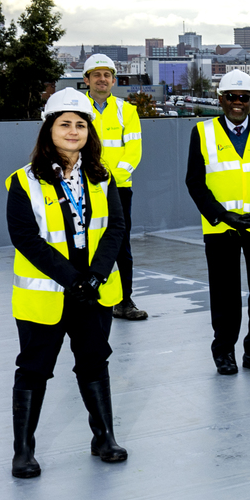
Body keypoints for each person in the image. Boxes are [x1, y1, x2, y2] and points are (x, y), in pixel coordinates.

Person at [4, 89, 128, 478]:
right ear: (48, 130)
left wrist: (95, 276)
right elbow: (25, 238)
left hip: (93, 290)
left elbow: (116, 229)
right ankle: (23, 450)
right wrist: (73, 279)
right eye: (65, 124)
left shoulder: (103, 176)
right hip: (48, 292)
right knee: (34, 368)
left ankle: (103, 436)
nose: (73, 131)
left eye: (81, 124)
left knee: (94, 360)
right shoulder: (23, 182)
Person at [185, 70, 250, 375]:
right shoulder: (202, 132)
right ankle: (224, 352)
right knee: (224, 293)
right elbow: (195, 182)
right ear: (221, 99)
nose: (237, 103)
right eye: (231, 97)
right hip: (221, 228)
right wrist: (220, 215)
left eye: (243, 98)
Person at [81, 54, 148, 321]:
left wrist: (108, 180)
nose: (102, 79)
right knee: (84, 241)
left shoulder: (126, 111)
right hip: (82, 188)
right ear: (86, 79)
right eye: (96, 75)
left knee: (120, 245)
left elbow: (133, 152)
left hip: (117, 189)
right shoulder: (76, 109)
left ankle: (123, 301)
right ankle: (88, 296)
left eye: (107, 75)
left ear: (113, 80)